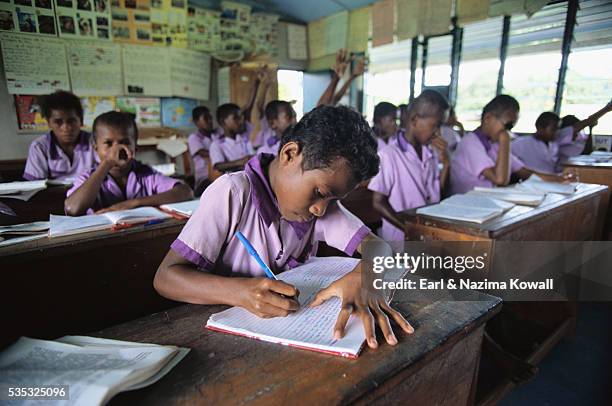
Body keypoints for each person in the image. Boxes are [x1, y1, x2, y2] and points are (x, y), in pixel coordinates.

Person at [154, 105, 414, 348]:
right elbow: (166, 278)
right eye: (319, 192)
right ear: (290, 154)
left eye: (332, 199)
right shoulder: (232, 192)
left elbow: (378, 246)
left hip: (283, 339)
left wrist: (362, 275)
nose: (320, 209)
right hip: (222, 339)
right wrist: (240, 292)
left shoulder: (322, 207)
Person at [65, 111, 193, 215]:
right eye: (108, 144)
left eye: (125, 142)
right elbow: (72, 208)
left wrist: (134, 203)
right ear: (95, 148)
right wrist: (107, 163)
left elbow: (185, 191)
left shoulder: (146, 175)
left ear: (135, 148)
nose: (117, 150)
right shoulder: (89, 178)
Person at [369, 90, 450, 241]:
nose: (438, 133)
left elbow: (438, 196)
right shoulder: (389, 155)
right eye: (436, 125)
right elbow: (378, 202)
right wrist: (410, 229)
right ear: (414, 120)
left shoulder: (430, 153)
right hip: (401, 240)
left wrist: (446, 164)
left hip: (428, 235)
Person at [450, 95, 568, 195]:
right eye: (507, 126)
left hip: (487, 200)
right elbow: (500, 179)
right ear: (488, 118)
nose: (508, 132)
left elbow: (524, 172)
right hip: (468, 206)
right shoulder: (471, 143)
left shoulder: (493, 144)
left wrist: (559, 179)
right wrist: (504, 139)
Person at [23, 91, 96, 182]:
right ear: (49, 123)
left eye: (71, 121)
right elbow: (35, 185)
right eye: (58, 122)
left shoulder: (94, 142)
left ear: (81, 121)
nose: (66, 128)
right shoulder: (39, 147)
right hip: (53, 195)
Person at [209, 104, 255, 173]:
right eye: (236, 118)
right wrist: (241, 162)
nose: (241, 122)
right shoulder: (216, 144)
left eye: (241, 118)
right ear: (223, 122)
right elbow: (218, 166)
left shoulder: (244, 139)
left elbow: (252, 157)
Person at [188, 106, 216, 195]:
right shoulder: (194, 138)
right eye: (206, 118)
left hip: (217, 174)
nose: (210, 121)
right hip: (204, 177)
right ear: (197, 122)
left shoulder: (217, 134)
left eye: (210, 118)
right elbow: (203, 153)